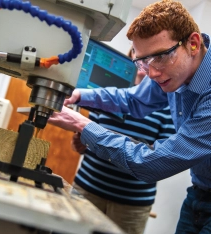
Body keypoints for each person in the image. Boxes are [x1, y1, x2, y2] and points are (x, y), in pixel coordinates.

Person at [48, 0, 211, 233]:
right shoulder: (170, 72)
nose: (151, 73)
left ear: (193, 44)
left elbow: (151, 162)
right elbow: (133, 100)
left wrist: (82, 125)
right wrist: (80, 95)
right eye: (143, 61)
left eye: (160, 57)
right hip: (198, 192)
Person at [71, 54, 175, 233]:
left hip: (132, 204)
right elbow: (84, 140)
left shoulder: (167, 106)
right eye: (140, 61)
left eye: (151, 60)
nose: (144, 67)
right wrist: (80, 143)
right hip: (88, 189)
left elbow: (163, 159)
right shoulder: (108, 96)